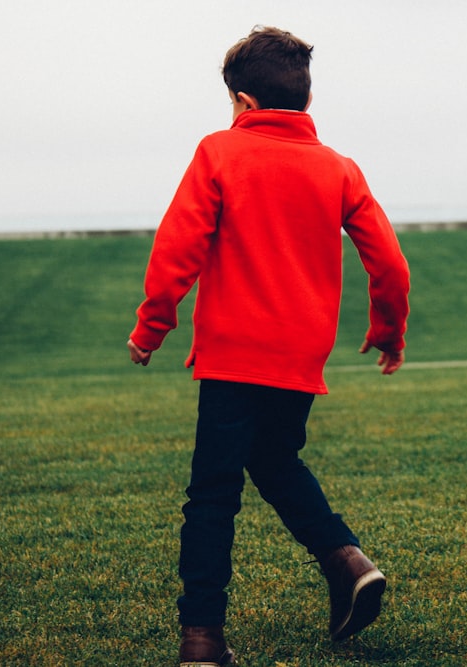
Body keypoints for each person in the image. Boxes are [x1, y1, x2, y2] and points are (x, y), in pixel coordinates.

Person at [126, 26, 410, 667]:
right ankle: (347, 562)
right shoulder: (339, 167)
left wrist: (151, 328)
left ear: (244, 104)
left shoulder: (219, 153)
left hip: (232, 354)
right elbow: (390, 264)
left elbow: (177, 248)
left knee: (213, 494)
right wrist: (387, 332)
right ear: (303, 102)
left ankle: (201, 640)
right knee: (276, 460)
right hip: (298, 357)